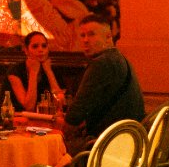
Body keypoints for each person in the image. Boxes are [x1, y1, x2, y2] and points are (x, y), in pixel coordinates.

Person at [60, 14, 145, 154]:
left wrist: (60, 134)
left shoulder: (102, 63)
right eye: (82, 35)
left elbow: (75, 114)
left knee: (48, 150)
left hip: (108, 145)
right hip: (128, 139)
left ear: (108, 36)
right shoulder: (119, 58)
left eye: (91, 34)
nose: (85, 40)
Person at [2, 31, 63, 112]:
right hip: (16, 119)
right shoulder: (15, 71)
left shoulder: (53, 70)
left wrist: (49, 71)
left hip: (44, 119)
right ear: (26, 50)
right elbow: (29, 107)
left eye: (44, 46)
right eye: (35, 46)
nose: (41, 49)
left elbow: (59, 105)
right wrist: (33, 73)